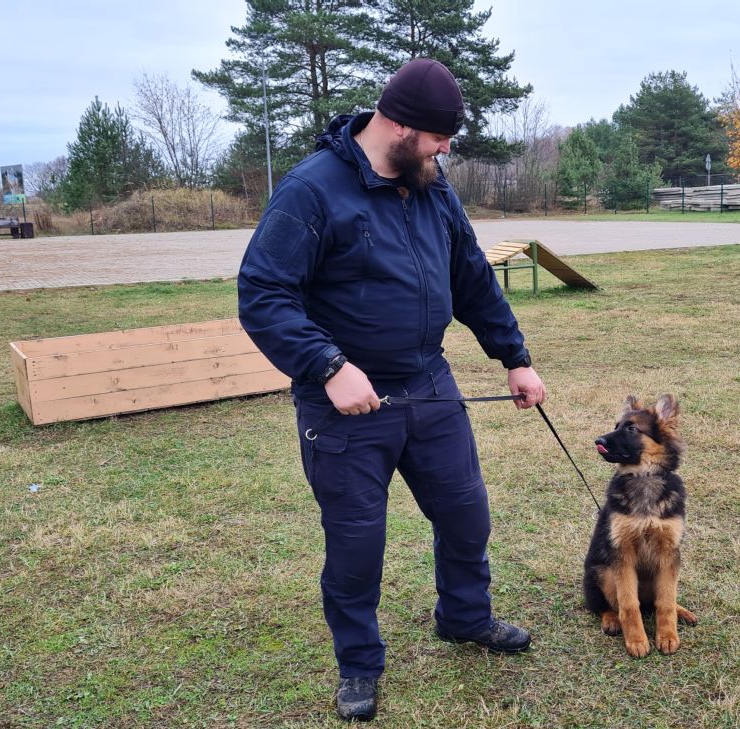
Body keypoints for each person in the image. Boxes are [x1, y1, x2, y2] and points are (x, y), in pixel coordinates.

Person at [237, 58, 546, 722]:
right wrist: (328, 366)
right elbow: (262, 294)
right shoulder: (312, 190)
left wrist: (514, 357)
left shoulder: (430, 186)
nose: (446, 149)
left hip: (429, 385)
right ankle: (358, 664)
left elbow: (472, 278)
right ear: (399, 125)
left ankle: (465, 616)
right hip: (344, 405)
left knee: (466, 513)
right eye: (438, 136)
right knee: (356, 544)